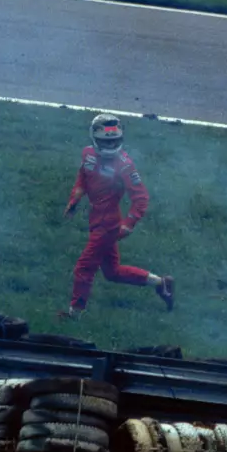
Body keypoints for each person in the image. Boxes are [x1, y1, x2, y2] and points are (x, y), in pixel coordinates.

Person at [61, 113, 174, 318]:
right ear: (95, 138)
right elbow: (82, 178)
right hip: (96, 221)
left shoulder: (124, 164)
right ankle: (160, 282)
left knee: (84, 268)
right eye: (106, 141)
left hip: (109, 225)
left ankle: (74, 313)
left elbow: (141, 197)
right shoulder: (87, 154)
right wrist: (74, 199)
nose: (111, 145)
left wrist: (129, 224)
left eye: (114, 140)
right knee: (112, 272)